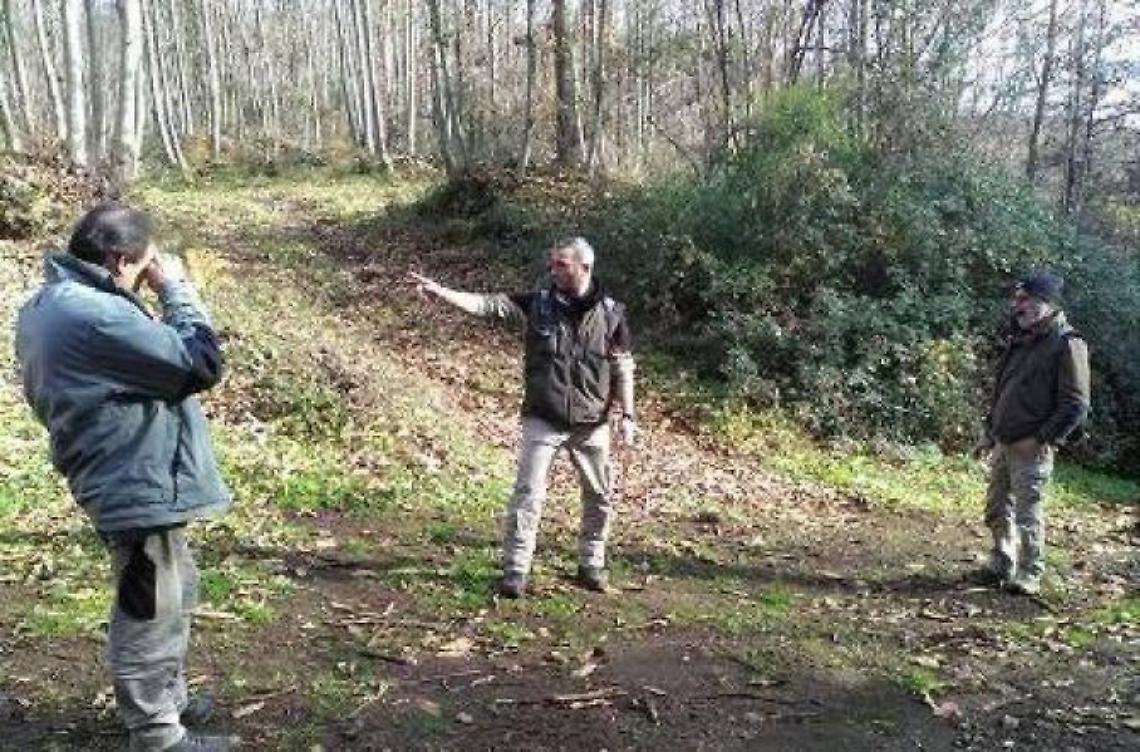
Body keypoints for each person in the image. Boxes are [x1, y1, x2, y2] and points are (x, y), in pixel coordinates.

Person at [15, 203, 235, 751]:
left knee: (173, 591)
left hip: (123, 472)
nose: (149, 272)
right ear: (117, 259)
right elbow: (200, 362)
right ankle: (157, 735)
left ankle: (168, 702)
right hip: (131, 480)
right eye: (144, 263)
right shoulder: (95, 313)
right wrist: (176, 289)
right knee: (150, 609)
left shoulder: (51, 303)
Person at [411, 237, 637, 598]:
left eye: (561, 264)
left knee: (599, 496)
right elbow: (486, 305)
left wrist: (628, 415)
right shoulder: (537, 305)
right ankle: (516, 570)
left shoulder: (612, 314)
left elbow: (623, 367)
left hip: (592, 424)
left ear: (585, 267)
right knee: (528, 495)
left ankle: (591, 563)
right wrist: (441, 292)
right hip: (543, 418)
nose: (553, 270)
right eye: (552, 264)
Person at [976, 271, 1090, 595]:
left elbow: (1076, 404)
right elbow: (1003, 389)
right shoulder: (1021, 339)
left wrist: (1041, 439)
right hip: (1004, 441)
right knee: (996, 508)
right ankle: (1001, 562)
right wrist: (990, 431)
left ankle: (1029, 573)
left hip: (1032, 447)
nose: (1017, 306)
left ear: (1045, 303)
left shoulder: (1068, 343)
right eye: (1017, 299)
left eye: (1024, 299)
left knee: (1028, 514)